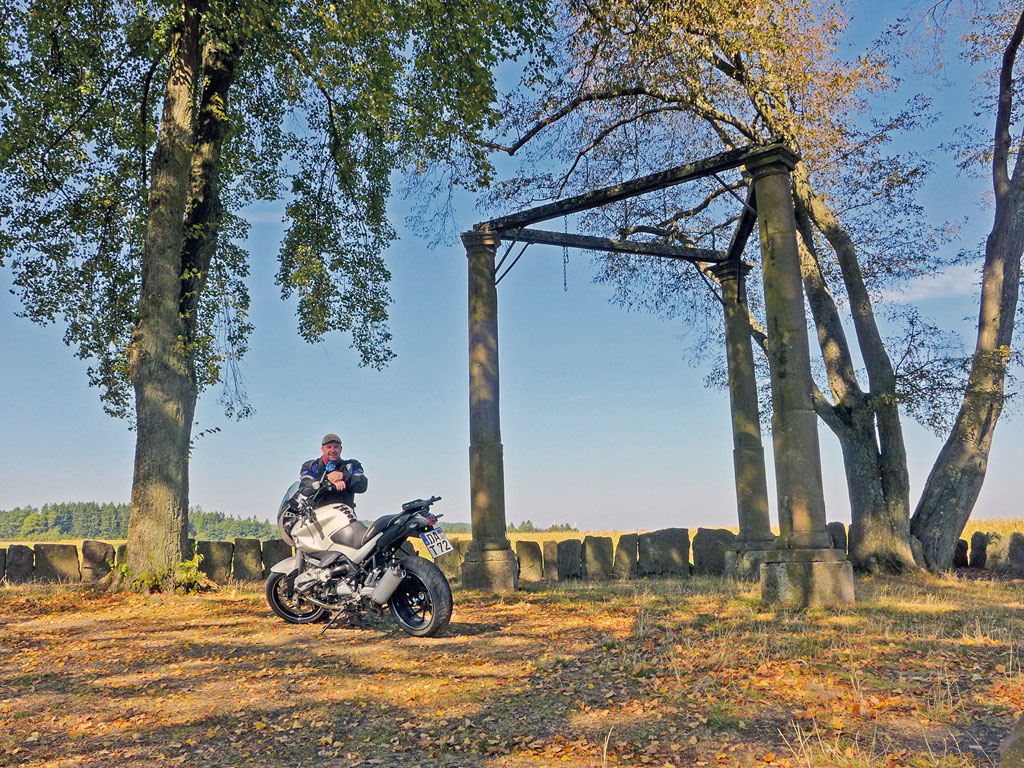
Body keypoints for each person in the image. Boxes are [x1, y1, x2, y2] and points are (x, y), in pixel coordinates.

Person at [299, 433, 368, 510]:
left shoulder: (351, 465)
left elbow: (362, 484)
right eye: (329, 447)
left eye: (336, 447)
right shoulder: (311, 466)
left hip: (345, 515)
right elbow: (304, 487)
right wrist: (328, 480)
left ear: (341, 449)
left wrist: (343, 476)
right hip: (318, 515)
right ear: (322, 449)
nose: (332, 450)